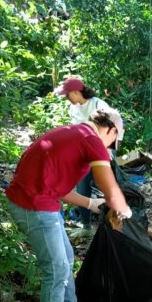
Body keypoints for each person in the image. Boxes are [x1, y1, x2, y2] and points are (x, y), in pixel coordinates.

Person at [6, 108, 132, 302]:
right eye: (115, 141)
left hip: (41, 201)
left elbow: (59, 186)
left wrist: (90, 204)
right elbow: (108, 183)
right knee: (56, 271)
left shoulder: (76, 133)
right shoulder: (92, 140)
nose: (111, 146)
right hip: (34, 205)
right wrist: (121, 208)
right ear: (110, 130)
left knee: (66, 259)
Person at [54, 76, 112, 231]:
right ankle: (86, 227)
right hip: (83, 157)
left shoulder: (99, 105)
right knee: (82, 189)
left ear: (75, 92)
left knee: (109, 190)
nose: (67, 99)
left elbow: (112, 132)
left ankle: (114, 228)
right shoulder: (73, 108)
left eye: (67, 95)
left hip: (101, 156)